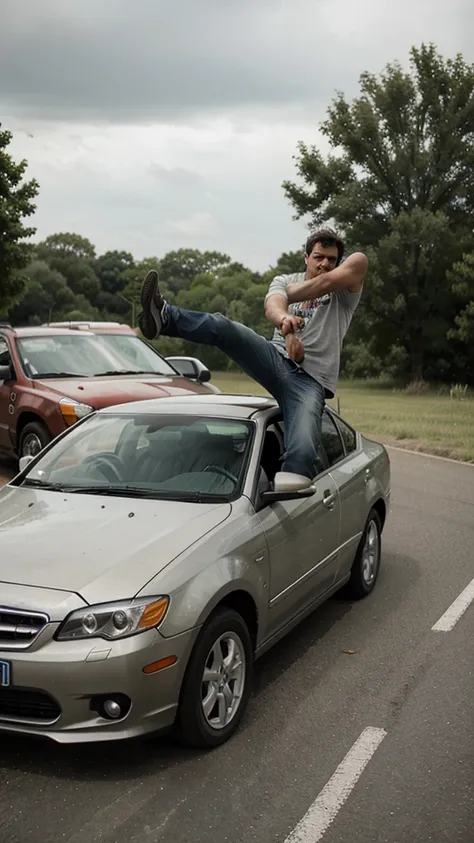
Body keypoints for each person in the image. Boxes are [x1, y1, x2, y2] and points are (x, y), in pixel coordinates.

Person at [138, 228, 367, 492]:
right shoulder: (284, 279)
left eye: (331, 259)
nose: (325, 264)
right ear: (306, 257)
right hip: (276, 361)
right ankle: (164, 317)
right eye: (318, 257)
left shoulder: (343, 292)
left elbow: (327, 281)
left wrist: (288, 298)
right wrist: (285, 322)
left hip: (310, 382)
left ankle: (284, 500)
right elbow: (272, 306)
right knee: (226, 328)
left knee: (304, 451)